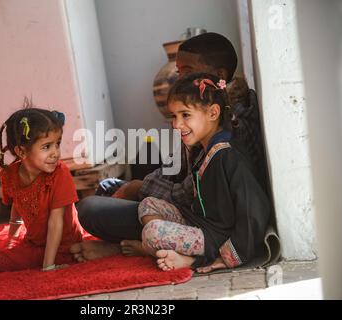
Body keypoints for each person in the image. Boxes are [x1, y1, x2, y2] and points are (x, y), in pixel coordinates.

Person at [71, 32, 270, 269]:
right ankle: (151, 243)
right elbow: (180, 171)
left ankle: (142, 248)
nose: (176, 123)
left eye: (186, 71)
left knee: (92, 208)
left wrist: (140, 188)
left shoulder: (229, 138)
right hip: (192, 215)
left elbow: (210, 198)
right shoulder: (204, 124)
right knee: (113, 189)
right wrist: (141, 189)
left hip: (208, 229)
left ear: (218, 77)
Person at [139, 72, 270, 272]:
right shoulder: (204, 149)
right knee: (148, 204)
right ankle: (175, 252)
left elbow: (254, 209)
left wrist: (227, 257)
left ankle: (192, 259)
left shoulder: (228, 154)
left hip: (219, 236)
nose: (176, 124)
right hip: (200, 224)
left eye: (185, 115)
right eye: (174, 117)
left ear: (213, 113)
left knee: (152, 232)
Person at [0, 101, 88, 272]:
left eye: (57, 143)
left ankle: (50, 258)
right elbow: (17, 207)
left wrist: (48, 265)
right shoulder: (10, 175)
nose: (55, 152)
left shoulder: (59, 174)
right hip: (34, 242)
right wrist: (12, 239)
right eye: (46, 146)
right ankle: (26, 253)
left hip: (63, 245)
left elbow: (56, 222)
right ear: (21, 152)